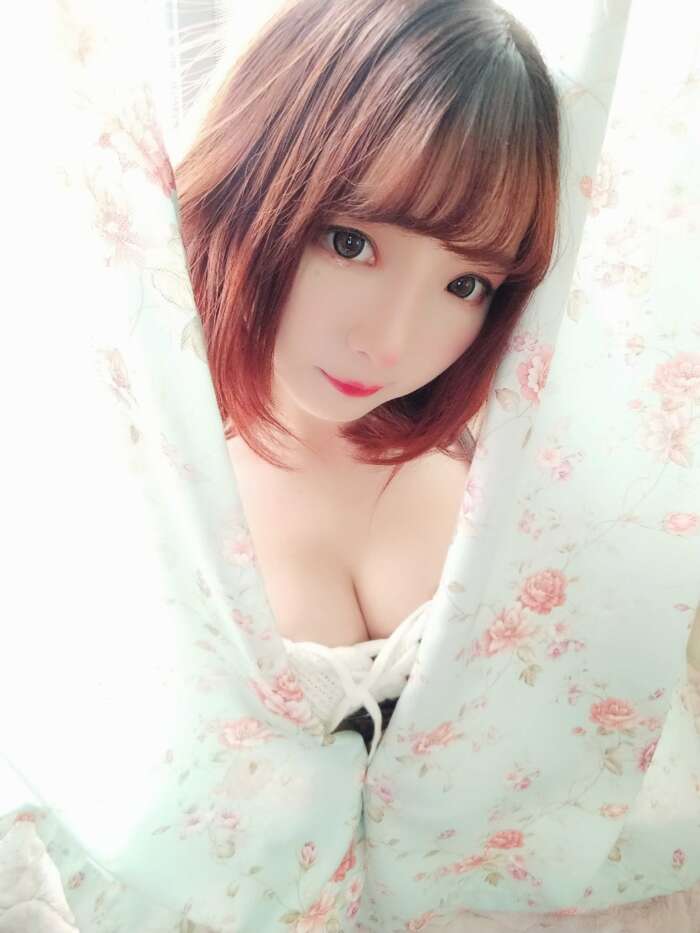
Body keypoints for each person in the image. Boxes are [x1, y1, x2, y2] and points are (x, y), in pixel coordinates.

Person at [173, 0, 560, 756]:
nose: (389, 344)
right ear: (250, 174)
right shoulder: (146, 464)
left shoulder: (512, 455)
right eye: (350, 242)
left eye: (465, 284)